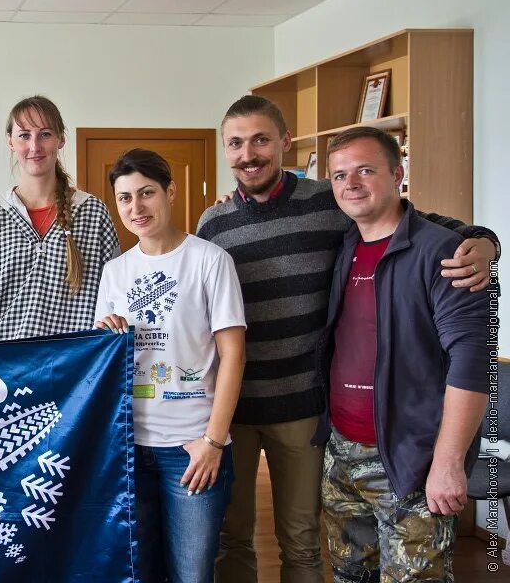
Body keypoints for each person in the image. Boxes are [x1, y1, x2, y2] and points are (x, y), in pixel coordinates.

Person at [195, 95, 497, 583]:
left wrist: (486, 245)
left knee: (301, 540)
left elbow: (434, 227)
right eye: (235, 143)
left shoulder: (330, 202)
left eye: (260, 140)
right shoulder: (214, 223)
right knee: (233, 537)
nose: (247, 153)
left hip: (306, 408)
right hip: (239, 406)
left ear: (285, 143)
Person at [320, 126, 488, 580]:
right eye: (338, 175)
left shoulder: (447, 254)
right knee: (349, 575)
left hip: (411, 461)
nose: (350, 184)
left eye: (365, 170)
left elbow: (473, 364)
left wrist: (449, 464)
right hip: (341, 454)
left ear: (398, 173)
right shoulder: (345, 243)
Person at [95, 149, 246, 583]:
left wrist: (213, 442)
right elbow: (108, 365)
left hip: (192, 448)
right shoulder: (115, 272)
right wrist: (110, 337)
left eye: (147, 193)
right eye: (124, 198)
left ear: (170, 192)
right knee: (139, 572)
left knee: (191, 574)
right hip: (130, 449)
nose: (136, 207)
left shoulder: (209, 260)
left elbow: (233, 354)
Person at [0, 95, 118, 341]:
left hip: (75, 370)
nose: (35, 146)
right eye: (24, 135)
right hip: (4, 371)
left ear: (61, 139)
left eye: (45, 134)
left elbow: (113, 301)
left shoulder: (94, 213)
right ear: (10, 141)